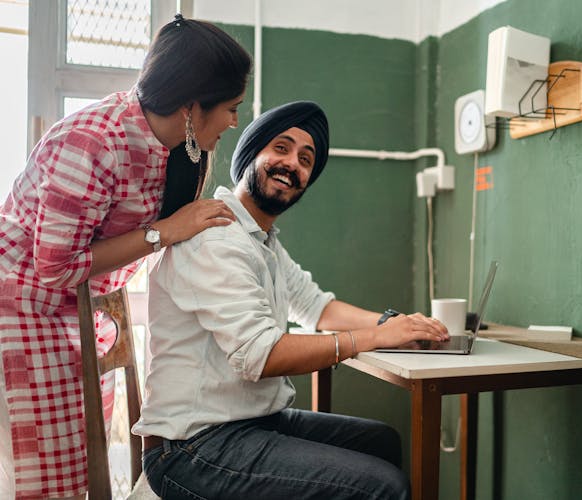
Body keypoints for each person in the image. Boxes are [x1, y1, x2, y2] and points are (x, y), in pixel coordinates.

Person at [133, 101, 449, 499]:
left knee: (383, 441)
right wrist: (373, 338)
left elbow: (317, 307)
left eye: (306, 159)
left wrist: (394, 326)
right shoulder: (217, 234)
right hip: (191, 447)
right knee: (383, 488)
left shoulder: (262, 239)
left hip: (249, 421)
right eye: (280, 149)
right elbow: (259, 356)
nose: (292, 164)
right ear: (252, 153)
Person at [0, 14, 252, 500]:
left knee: (84, 469)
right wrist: (163, 232)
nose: (233, 121)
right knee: (46, 480)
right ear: (189, 107)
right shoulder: (91, 142)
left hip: (76, 314)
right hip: (21, 309)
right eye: (230, 107)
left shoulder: (181, 151)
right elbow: (54, 267)